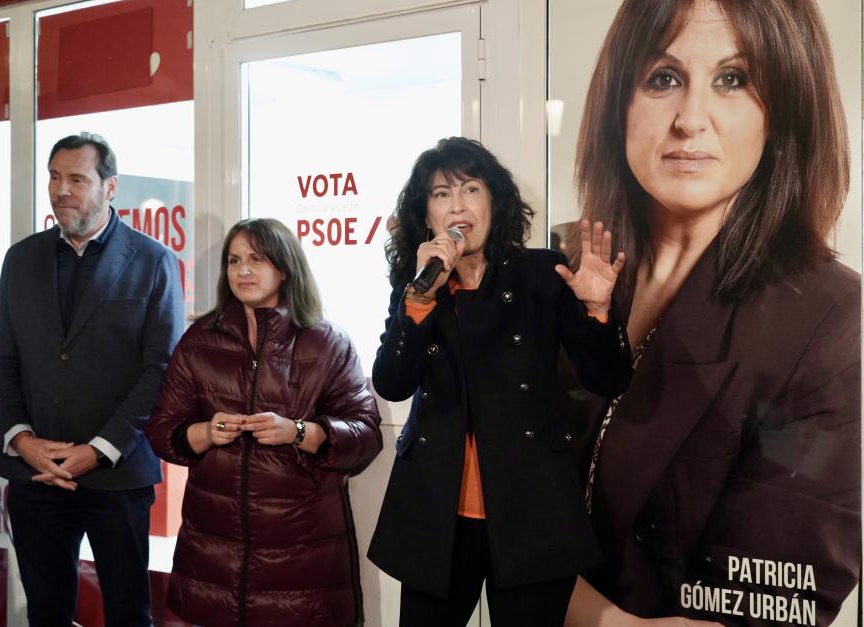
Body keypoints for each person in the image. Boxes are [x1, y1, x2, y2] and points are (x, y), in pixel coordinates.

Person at [563, 0, 861, 625]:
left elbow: (758, 614)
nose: (690, 120)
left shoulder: (830, 321)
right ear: (621, 101)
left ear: (784, 111)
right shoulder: (561, 273)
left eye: (733, 79)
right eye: (663, 78)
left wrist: (544, 599)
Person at [367, 136, 633, 627]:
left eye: (471, 189)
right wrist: (422, 295)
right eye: (441, 194)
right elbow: (392, 383)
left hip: (531, 508)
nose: (458, 205)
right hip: (438, 512)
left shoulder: (539, 274)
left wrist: (598, 312)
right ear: (427, 215)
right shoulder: (418, 282)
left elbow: (608, 378)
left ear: (494, 202)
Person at [0, 132, 184, 626]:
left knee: (128, 614)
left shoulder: (154, 261)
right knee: (45, 613)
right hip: (35, 473)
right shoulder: (21, 259)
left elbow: (161, 369)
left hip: (116, 475)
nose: (61, 190)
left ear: (110, 187)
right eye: (54, 177)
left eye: (77, 178)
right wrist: (23, 441)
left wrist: (97, 449)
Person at [145, 218, 382, 627]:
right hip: (212, 555)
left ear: (285, 267)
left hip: (302, 559)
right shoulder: (200, 339)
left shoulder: (327, 341)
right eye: (234, 261)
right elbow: (163, 429)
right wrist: (205, 433)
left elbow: (365, 433)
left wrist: (300, 432)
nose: (243, 271)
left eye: (256, 259)